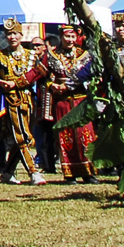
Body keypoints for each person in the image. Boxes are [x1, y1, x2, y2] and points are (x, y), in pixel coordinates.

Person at [0, 19, 47, 185]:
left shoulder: (31, 55)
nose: (12, 37)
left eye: (15, 34)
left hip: (29, 99)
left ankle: (7, 172)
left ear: (21, 35)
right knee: (22, 136)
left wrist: (19, 83)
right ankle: (33, 172)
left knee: (26, 136)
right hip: (11, 100)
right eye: (8, 34)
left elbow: (40, 71)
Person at [44, 24, 97, 183]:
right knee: (66, 137)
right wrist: (52, 86)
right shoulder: (52, 55)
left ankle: (89, 172)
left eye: (73, 36)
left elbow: (92, 76)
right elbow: (43, 76)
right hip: (62, 101)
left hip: (81, 99)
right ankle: (70, 173)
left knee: (85, 135)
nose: (70, 40)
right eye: (67, 36)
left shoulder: (85, 55)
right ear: (61, 37)